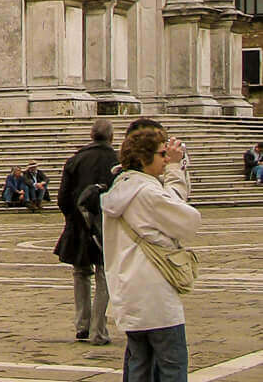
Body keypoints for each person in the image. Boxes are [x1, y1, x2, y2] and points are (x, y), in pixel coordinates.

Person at [103, 121, 201, 382]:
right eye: (161, 154)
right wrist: (176, 170)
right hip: (156, 294)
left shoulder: (121, 187)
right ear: (144, 157)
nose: (166, 159)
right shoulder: (146, 191)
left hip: (129, 292)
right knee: (171, 366)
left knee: (139, 365)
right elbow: (185, 218)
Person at [54, 118, 117, 344]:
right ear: (111, 137)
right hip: (107, 225)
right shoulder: (117, 161)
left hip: (79, 225)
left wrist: (74, 218)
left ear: (91, 136)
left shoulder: (75, 160)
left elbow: (62, 198)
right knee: (104, 276)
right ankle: (98, 330)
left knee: (81, 273)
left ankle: (82, 325)